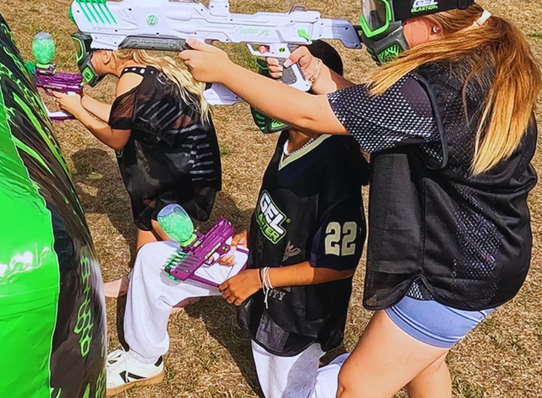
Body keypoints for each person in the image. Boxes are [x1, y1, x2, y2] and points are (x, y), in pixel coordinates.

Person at [179, 0, 542, 396]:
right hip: (485, 254)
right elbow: (382, 111)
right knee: (425, 366)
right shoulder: (470, 56)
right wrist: (318, 72)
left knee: (356, 384)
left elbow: (310, 116)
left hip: (455, 273)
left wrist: (225, 70)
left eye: (380, 12)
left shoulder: (439, 87)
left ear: (430, 20)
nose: (370, 25)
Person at [105, 42, 369, 398]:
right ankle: (142, 360)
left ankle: (372, 365)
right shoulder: (292, 136)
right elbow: (285, 210)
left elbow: (338, 265)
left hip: (295, 300)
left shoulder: (336, 169)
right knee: (153, 260)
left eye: (274, 82)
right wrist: (252, 232)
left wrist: (259, 279)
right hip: (257, 262)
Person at [53, 42, 222, 297]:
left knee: (162, 218)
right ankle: (138, 279)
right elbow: (124, 116)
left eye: (89, 52)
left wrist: (78, 111)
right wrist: (83, 101)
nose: (83, 59)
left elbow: (116, 138)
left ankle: (200, 275)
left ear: (106, 54)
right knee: (146, 215)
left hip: (187, 168)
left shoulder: (129, 79)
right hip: (185, 157)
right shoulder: (142, 69)